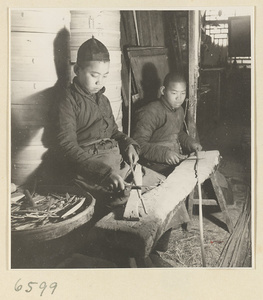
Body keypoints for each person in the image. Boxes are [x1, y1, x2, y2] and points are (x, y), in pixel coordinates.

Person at [45, 37, 140, 201]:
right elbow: (66, 146)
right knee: (124, 199)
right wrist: (103, 174)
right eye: (94, 75)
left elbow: (113, 133)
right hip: (89, 170)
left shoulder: (103, 100)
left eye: (105, 75)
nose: (99, 82)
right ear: (77, 70)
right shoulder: (68, 100)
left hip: (115, 164)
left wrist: (129, 144)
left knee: (158, 184)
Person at [132, 72, 202, 176]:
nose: (179, 98)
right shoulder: (151, 112)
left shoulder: (179, 110)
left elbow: (178, 133)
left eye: (183, 93)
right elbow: (137, 145)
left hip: (174, 160)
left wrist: (191, 143)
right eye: (174, 93)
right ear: (163, 91)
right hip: (154, 165)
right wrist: (164, 154)